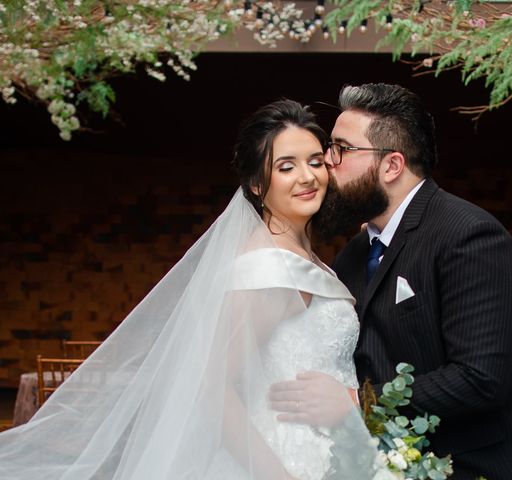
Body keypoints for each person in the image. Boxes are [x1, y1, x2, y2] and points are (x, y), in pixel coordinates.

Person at [0, 100, 376, 480]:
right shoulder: (269, 268)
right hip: (284, 460)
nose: (307, 176)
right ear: (257, 184)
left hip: (333, 451)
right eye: (286, 166)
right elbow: (213, 390)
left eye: (315, 161)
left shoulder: (304, 259)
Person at [270, 84, 512, 480]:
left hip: (465, 467)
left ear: (392, 165)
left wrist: (357, 403)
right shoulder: (356, 252)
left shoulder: (471, 235)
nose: (327, 161)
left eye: (342, 149)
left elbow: (480, 379)